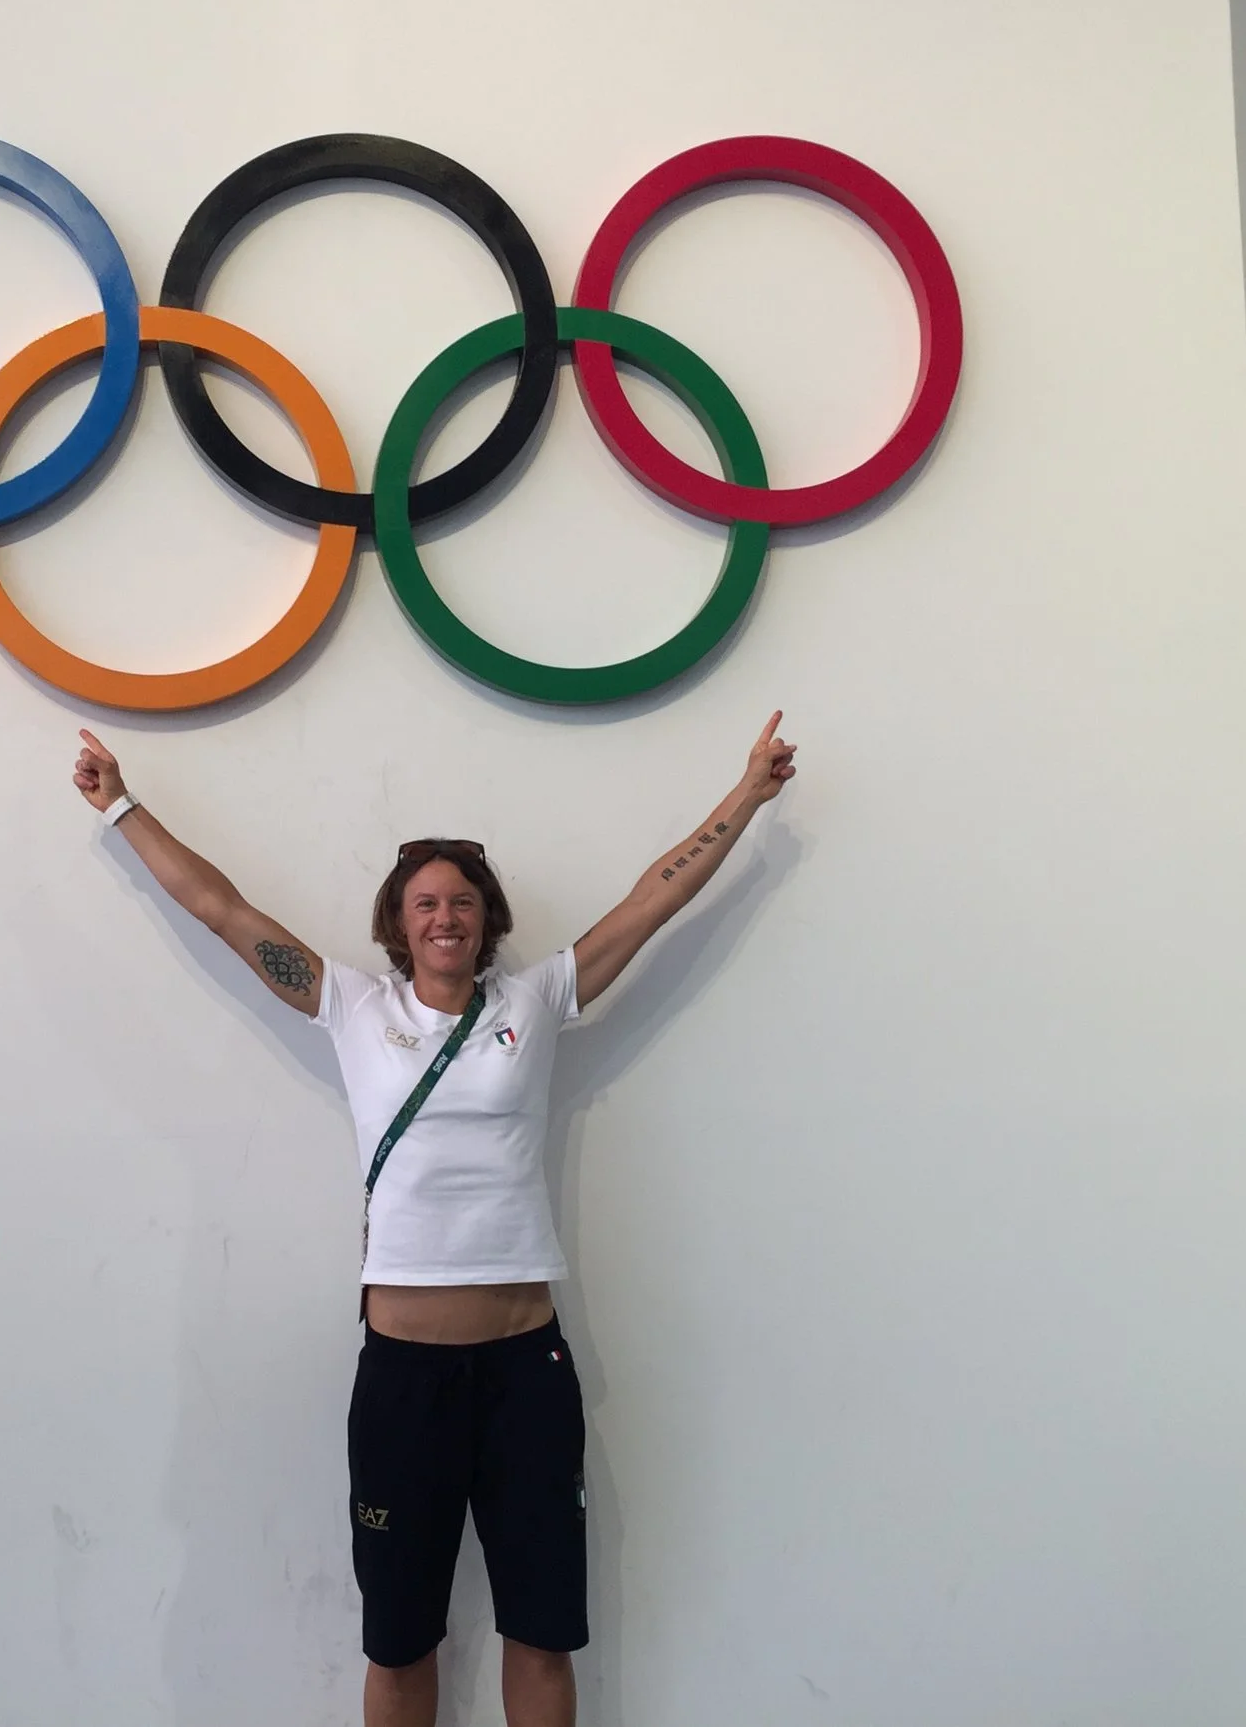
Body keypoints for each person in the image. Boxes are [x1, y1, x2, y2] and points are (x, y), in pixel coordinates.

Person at [70, 716, 798, 1727]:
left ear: (485, 917)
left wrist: (747, 795)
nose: (444, 916)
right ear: (398, 924)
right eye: (424, 903)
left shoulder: (537, 999)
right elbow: (221, 910)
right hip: (403, 1380)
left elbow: (652, 899)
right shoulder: (352, 1008)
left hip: (523, 1372)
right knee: (401, 1637)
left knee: (541, 1631)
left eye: (460, 901)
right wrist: (120, 803)